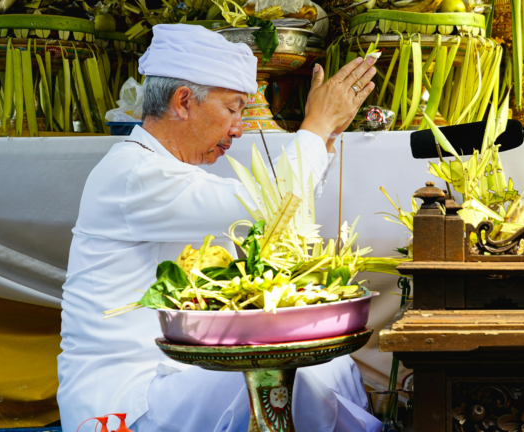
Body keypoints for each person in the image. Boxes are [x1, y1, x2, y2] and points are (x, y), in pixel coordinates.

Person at [57, 24, 379, 432]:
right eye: (233, 109)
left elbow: (270, 208)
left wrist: (325, 134)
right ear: (183, 101)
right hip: (126, 398)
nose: (238, 128)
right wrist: (314, 129)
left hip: (177, 374)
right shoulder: (132, 174)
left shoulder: (162, 169)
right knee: (286, 382)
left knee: (328, 364)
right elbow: (270, 206)